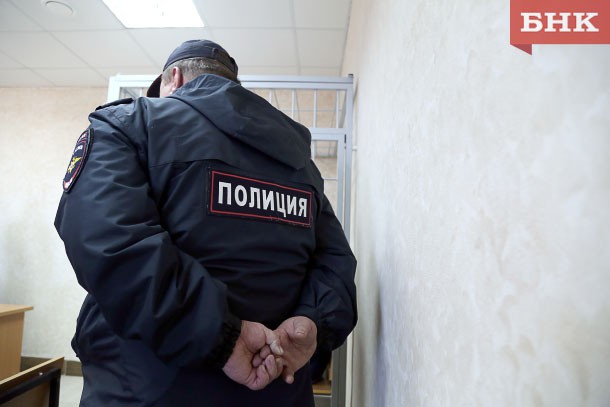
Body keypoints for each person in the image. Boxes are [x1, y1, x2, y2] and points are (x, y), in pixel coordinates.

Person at [55, 39, 357, 406]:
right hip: (280, 390)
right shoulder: (301, 164)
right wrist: (313, 323)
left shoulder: (129, 125)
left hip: (144, 393)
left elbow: (109, 243)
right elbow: (336, 260)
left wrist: (224, 339)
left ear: (175, 78)